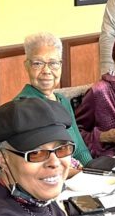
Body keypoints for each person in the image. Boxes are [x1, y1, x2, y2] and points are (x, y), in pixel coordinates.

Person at [14, 31, 92, 170]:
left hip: (77, 176)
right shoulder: (23, 107)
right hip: (49, 181)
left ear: (61, 66)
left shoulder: (62, 101)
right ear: (26, 66)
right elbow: (39, 164)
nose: (47, 70)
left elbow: (80, 148)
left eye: (53, 63)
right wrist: (79, 174)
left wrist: (92, 169)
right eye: (38, 63)